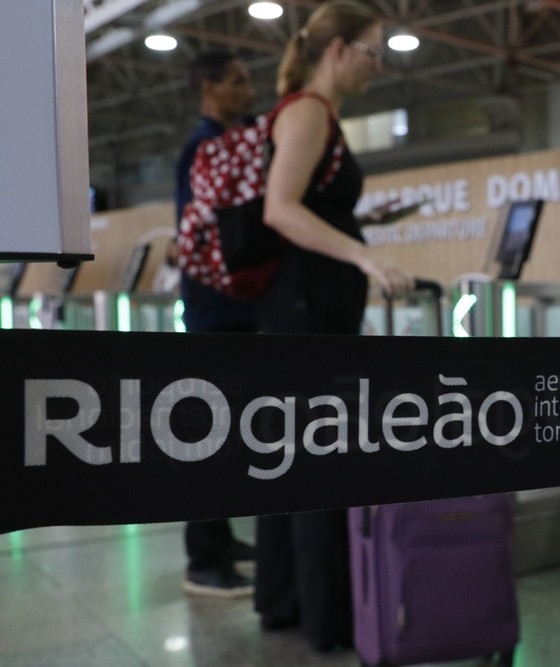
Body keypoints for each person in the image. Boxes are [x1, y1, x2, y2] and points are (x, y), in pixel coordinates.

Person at [252, 0, 413, 653]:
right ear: (338, 49)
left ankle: (287, 603)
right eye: (373, 50)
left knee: (290, 458)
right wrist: (363, 254)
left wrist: (362, 232)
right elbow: (280, 210)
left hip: (304, 308)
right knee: (321, 461)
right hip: (307, 312)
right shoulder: (309, 111)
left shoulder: (314, 114)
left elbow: (307, 209)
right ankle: (326, 617)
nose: (377, 64)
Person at [174, 51, 258, 598]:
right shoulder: (203, 150)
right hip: (215, 312)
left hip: (235, 311)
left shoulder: (228, 144)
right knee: (209, 438)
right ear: (209, 89)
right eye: (237, 80)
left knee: (231, 438)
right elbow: (206, 233)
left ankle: (221, 538)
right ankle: (203, 557)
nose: (248, 90)